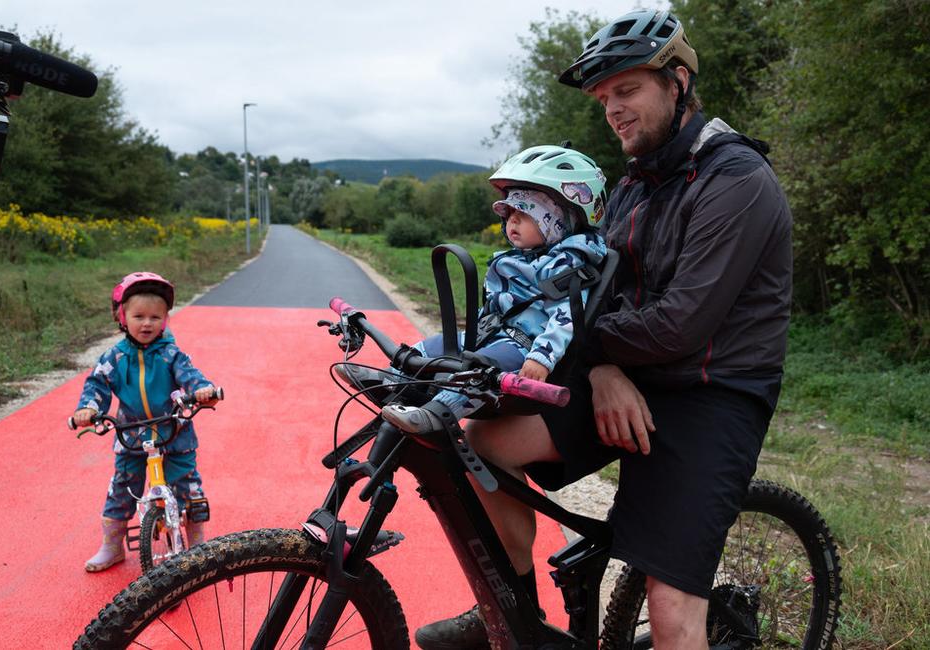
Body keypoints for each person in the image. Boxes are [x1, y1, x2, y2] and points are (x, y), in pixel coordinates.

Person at [415, 10, 793, 650]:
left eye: (627, 90)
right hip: (627, 371)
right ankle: (512, 618)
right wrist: (600, 369)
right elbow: (597, 294)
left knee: (672, 613)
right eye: (603, 97)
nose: (613, 109)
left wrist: (597, 354)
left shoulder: (738, 182)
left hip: (711, 391)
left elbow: (680, 324)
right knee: (481, 441)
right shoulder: (633, 187)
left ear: (677, 83)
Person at [340, 144, 608, 434]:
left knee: (474, 375)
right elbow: (497, 306)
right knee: (429, 348)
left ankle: (436, 415)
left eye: (525, 213)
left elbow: (566, 317)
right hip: (489, 333)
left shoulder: (566, 266)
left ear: (558, 222)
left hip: (523, 347)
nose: (512, 221)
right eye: (509, 214)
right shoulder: (518, 260)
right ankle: (391, 381)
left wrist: (540, 357)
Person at [72, 271, 218, 572]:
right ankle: (112, 547)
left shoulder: (171, 355)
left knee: (188, 489)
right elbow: (97, 385)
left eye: (155, 316)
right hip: (131, 435)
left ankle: (199, 545)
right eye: (138, 316)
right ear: (122, 317)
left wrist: (202, 391)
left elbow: (191, 377)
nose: (147, 323)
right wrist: (87, 409)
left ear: (165, 319)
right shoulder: (114, 357)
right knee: (122, 490)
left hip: (174, 431)